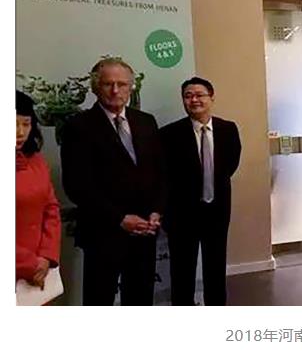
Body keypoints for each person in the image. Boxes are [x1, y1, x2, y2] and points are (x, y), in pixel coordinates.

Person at [61, 57, 165, 305]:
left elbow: (161, 172)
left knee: (140, 300)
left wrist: (156, 210)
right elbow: (77, 185)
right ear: (96, 87)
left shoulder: (146, 121)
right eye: (108, 84)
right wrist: (120, 218)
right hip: (103, 232)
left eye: (122, 84)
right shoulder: (78, 126)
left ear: (131, 87)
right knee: (99, 301)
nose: (115, 90)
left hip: (144, 230)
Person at [161, 77, 241, 306]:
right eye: (188, 96)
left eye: (199, 95)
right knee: (182, 272)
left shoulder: (228, 129)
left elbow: (230, 165)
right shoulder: (169, 134)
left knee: (215, 268)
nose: (194, 100)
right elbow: (165, 175)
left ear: (211, 97)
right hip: (182, 214)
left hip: (217, 210)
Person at [16, 90, 61, 292]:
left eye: (26, 124)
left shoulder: (36, 161)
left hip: (39, 271)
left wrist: (46, 255)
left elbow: (51, 208)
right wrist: (29, 264)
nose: (20, 132)